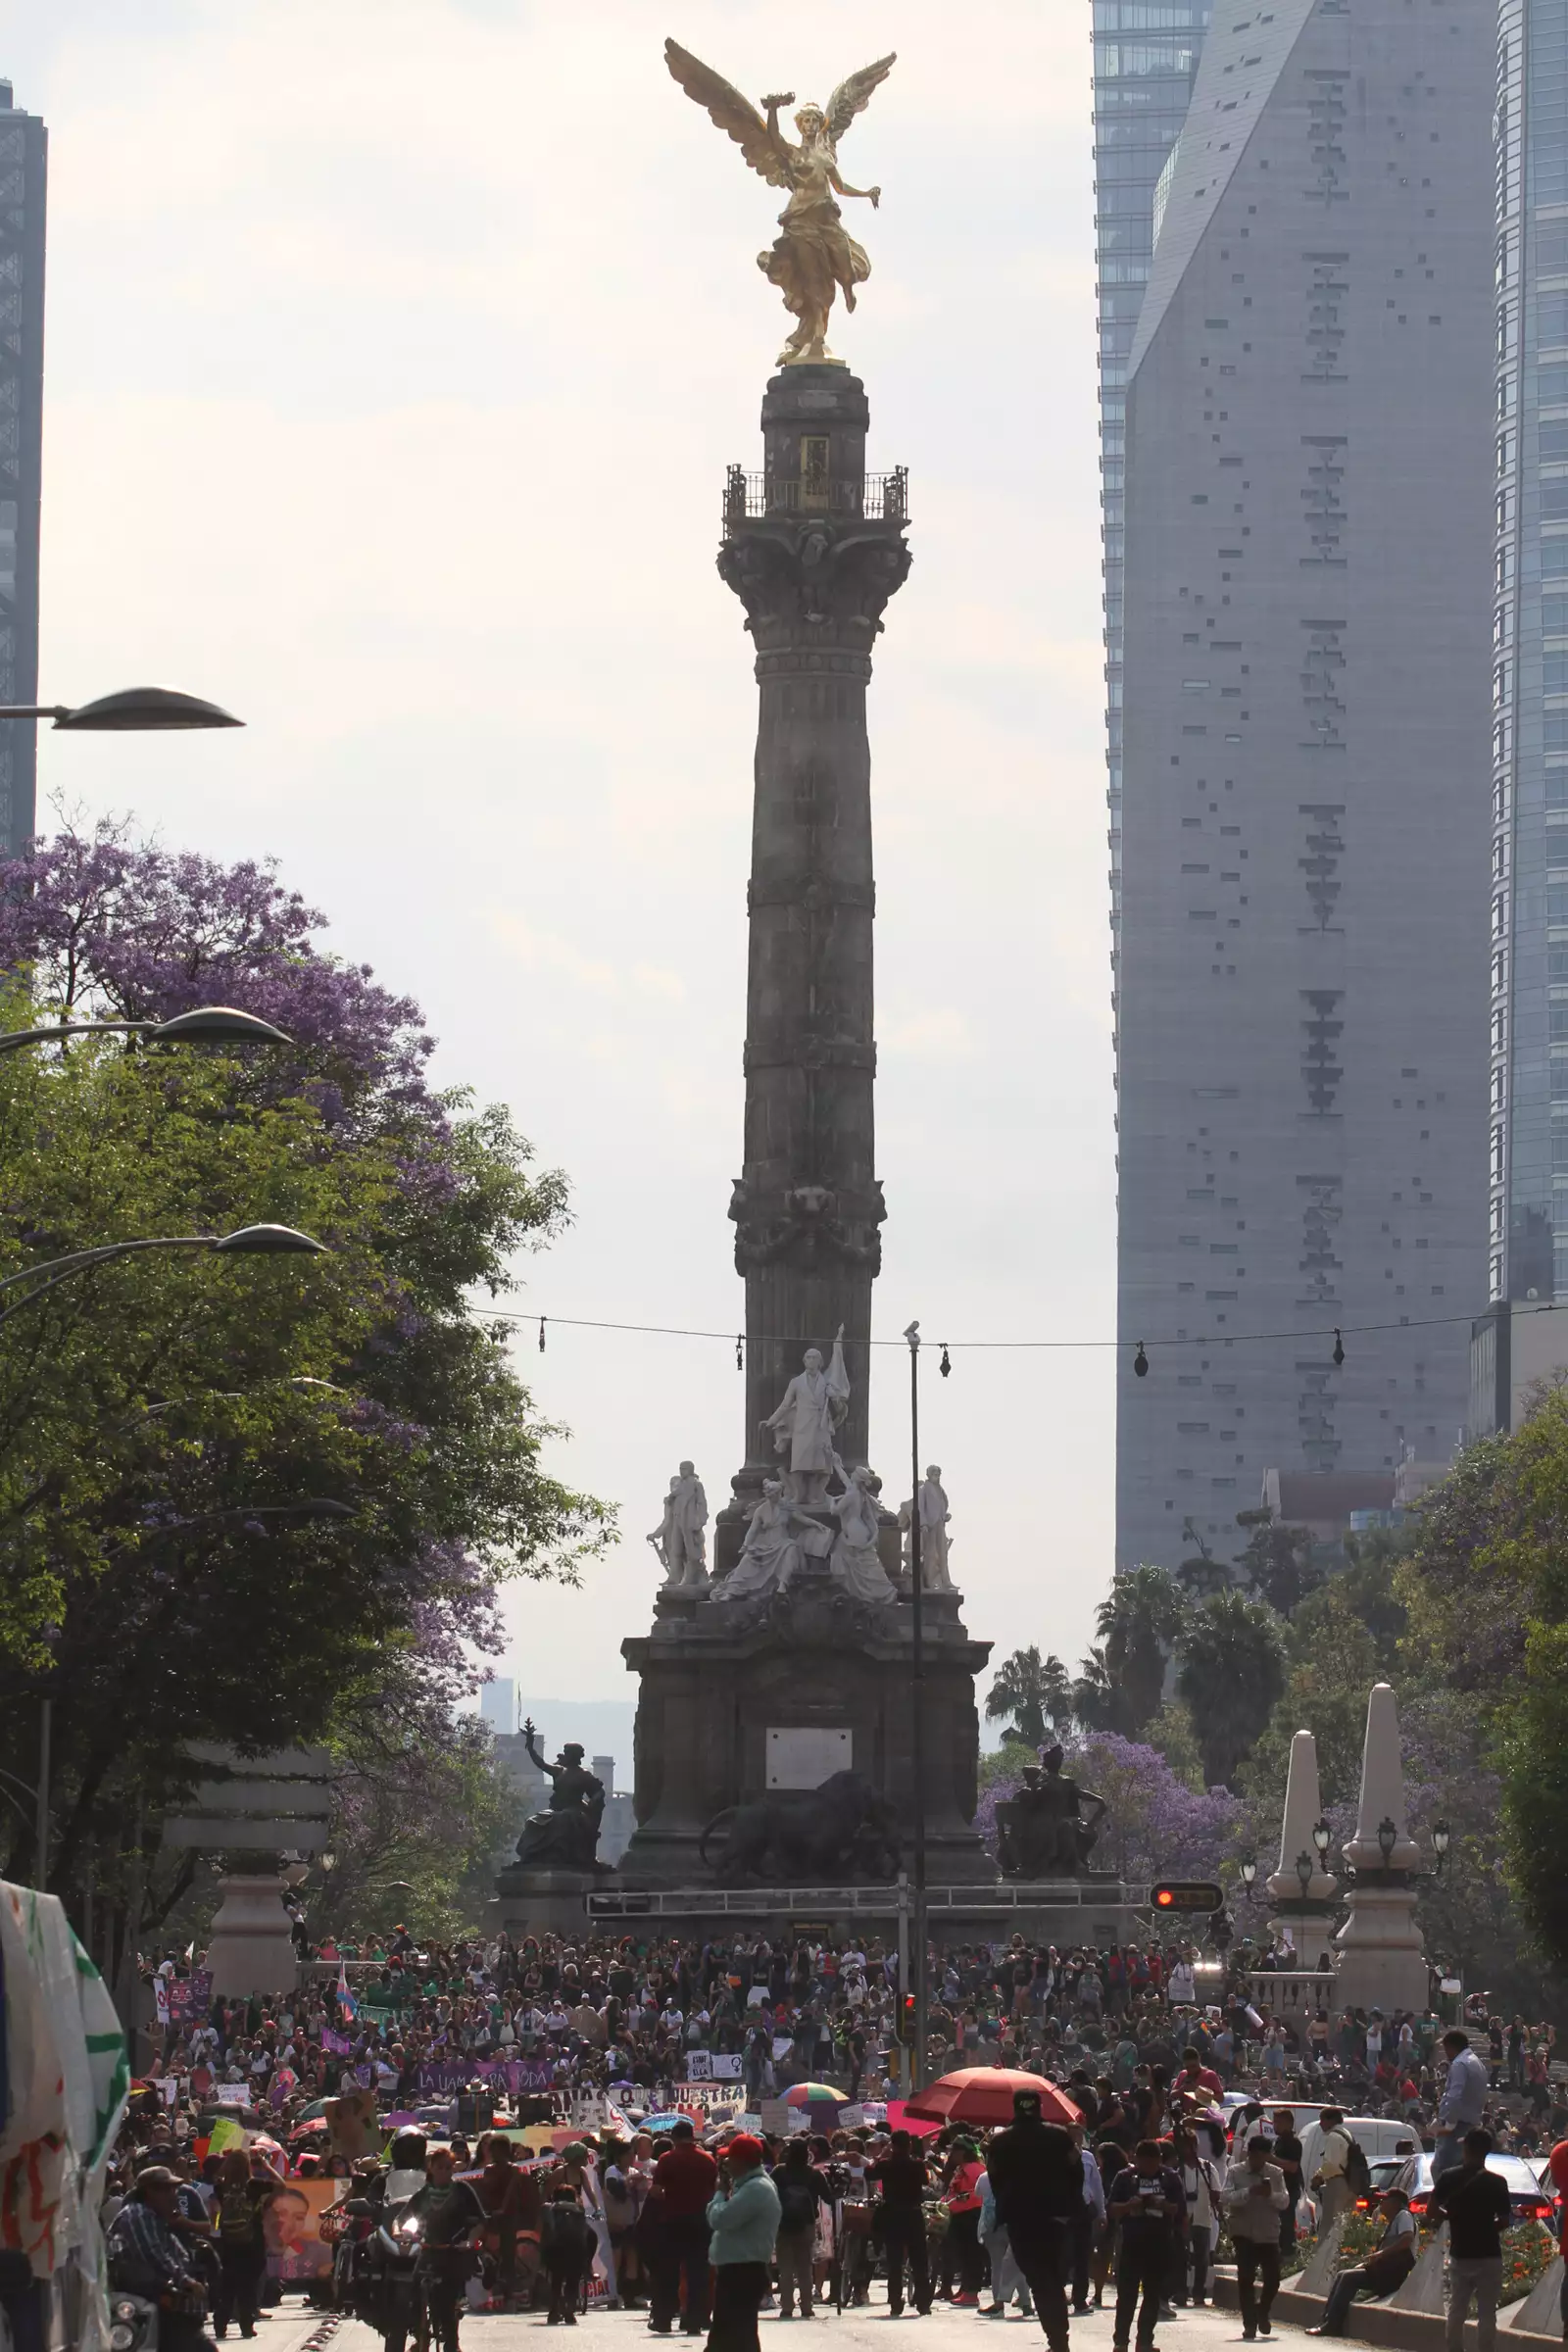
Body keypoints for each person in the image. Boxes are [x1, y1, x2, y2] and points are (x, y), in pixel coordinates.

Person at [987, 2087, 1088, 2352]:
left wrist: (1008, 2206)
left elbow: (995, 2180)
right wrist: (1069, 2204)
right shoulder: (1060, 2137)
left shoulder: (1000, 2142)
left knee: (1040, 2281)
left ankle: (1057, 2340)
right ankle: (1058, 2339)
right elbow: (1077, 2173)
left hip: (1022, 2221)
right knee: (1054, 2279)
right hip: (1058, 2218)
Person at [106, 2166, 215, 2352]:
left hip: (174, 2311)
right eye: (167, 2190)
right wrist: (187, 2281)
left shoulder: (156, 2218)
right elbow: (155, 2256)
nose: (174, 2195)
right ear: (150, 2192)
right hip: (154, 2310)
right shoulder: (137, 2215)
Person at [1430, 2130, 1513, 2352]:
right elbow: (1504, 2220)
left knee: (1457, 2309)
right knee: (1487, 2313)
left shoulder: (1448, 2177)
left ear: (1466, 2148)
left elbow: (1431, 2210)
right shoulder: (1498, 2182)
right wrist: (1485, 2226)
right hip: (1489, 2254)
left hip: (1460, 2252)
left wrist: (1453, 2218)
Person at [1104, 2139, 1186, 2352]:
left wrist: (1162, 2204)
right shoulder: (1125, 2178)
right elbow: (1111, 2209)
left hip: (1159, 2242)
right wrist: (1129, 2205)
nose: (1149, 2166)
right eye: (1144, 2162)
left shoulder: (1170, 2178)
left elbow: (1180, 2210)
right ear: (1136, 2160)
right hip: (1131, 2242)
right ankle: (1121, 2341)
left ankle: (1145, 2341)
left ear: (1159, 2160)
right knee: (1127, 2295)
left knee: (1152, 2294)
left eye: (1153, 2162)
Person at [404, 2143, 485, 2352]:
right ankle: (419, 2334)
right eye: (440, 2167)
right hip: (429, 2250)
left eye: (448, 2167)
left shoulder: (462, 2190)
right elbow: (402, 2218)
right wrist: (401, 2231)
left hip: (454, 2252)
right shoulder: (423, 2194)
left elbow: (480, 2222)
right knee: (412, 2292)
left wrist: (469, 2241)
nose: (444, 2172)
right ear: (431, 2168)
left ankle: (452, 2342)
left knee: (447, 2301)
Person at [1305, 2189, 1418, 2337]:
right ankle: (1325, 2321)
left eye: (1385, 2200)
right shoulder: (1395, 2220)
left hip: (1393, 2276)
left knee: (1348, 2278)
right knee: (1342, 2274)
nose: (1381, 2204)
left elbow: (1407, 2239)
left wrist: (1381, 2254)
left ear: (1396, 2203)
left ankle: (1333, 2325)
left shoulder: (1404, 2215)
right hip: (1384, 2271)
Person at [706, 2135, 780, 2352]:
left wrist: (719, 2193)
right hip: (738, 2269)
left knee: (733, 2336)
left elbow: (719, 2219)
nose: (727, 2164)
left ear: (743, 2161)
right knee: (735, 2335)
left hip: (743, 2270)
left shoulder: (756, 2188)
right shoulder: (749, 2186)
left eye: (730, 2159)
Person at [650, 2119, 718, 2336]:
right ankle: (695, 2319)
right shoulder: (708, 2160)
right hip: (701, 2221)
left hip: (673, 2221)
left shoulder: (667, 2159)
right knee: (698, 2272)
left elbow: (657, 2190)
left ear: (674, 2138)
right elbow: (713, 2188)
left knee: (668, 2272)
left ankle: (663, 2318)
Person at [1222, 2135, 1288, 2342]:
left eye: (1263, 2156)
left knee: (1273, 2280)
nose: (1259, 2161)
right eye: (1255, 2155)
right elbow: (1226, 2197)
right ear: (1249, 2153)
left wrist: (1269, 2195)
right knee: (1245, 2280)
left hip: (1268, 2233)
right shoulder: (1235, 2172)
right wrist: (1249, 2192)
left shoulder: (1275, 2173)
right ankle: (1249, 2324)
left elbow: (1284, 2201)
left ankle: (1262, 2310)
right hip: (1244, 2233)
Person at [869, 2130, 933, 2318]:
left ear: (892, 2145)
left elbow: (869, 2174)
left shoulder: (885, 2164)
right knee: (919, 2261)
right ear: (910, 2145)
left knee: (894, 2262)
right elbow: (925, 2181)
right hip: (913, 2215)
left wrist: (881, 2155)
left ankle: (896, 2303)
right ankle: (923, 2303)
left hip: (893, 2215)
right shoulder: (917, 2165)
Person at [210, 2152, 268, 2340]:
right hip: (253, 2242)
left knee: (227, 2286)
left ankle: (220, 2325)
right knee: (248, 2286)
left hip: (228, 2242)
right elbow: (281, 2186)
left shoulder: (220, 2187)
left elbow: (215, 2208)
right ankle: (246, 2326)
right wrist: (265, 2165)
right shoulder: (254, 2185)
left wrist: (226, 2162)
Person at [770, 2140, 828, 2320]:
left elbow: (769, 2191)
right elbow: (828, 2196)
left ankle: (787, 2306)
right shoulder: (814, 2174)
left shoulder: (779, 2171)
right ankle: (807, 2306)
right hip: (807, 2223)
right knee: (805, 2266)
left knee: (785, 2267)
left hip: (783, 2223)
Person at [1434, 2032, 1491, 2177]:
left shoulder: (1460, 2064)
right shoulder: (1477, 2063)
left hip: (1456, 2124)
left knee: (1441, 2169)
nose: (1445, 2053)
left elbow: (1454, 2095)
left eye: (1446, 2048)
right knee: (1464, 2169)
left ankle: (1446, 2199)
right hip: (1471, 2122)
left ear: (1452, 2047)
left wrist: (1449, 2123)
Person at [542, 2185, 595, 2327]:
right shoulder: (578, 2209)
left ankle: (553, 2311)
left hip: (555, 2250)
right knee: (573, 2280)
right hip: (576, 2250)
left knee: (557, 2279)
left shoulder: (549, 2208)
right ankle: (569, 2311)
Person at [1310, 2109, 1353, 2223]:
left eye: (1322, 2120)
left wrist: (1318, 2176)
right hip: (1350, 2182)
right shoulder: (1346, 2134)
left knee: (1331, 2224)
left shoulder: (1333, 2137)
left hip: (1337, 2184)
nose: (1320, 2124)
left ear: (1330, 2120)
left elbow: (1331, 2164)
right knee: (1343, 2223)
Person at [1270, 2111, 1303, 2252]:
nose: (1274, 2125)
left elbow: (1292, 2167)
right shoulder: (1279, 2141)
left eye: (1278, 2122)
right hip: (1279, 2188)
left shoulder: (1293, 2142)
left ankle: (1288, 2253)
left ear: (1289, 2124)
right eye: (1274, 2121)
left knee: (1286, 2224)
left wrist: (1271, 2159)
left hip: (1290, 2188)